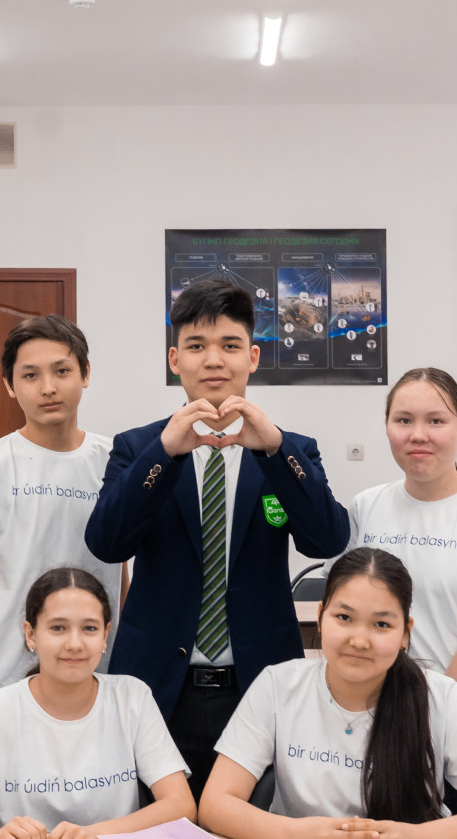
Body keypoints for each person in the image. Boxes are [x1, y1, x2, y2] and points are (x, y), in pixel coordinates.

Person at [86, 279, 349, 798]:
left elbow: (326, 539)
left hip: (260, 686)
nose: (213, 359)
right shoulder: (139, 447)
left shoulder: (290, 449)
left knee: (255, 829)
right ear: (175, 359)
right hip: (157, 687)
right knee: (157, 830)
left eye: (230, 345)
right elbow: (106, 543)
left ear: (252, 357)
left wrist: (274, 450)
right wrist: (165, 453)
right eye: (196, 346)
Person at [198, 548, 457, 839]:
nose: (359, 640)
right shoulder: (277, 686)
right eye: (344, 617)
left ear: (405, 633)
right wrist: (293, 835)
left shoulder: (439, 696)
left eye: (381, 624)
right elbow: (215, 804)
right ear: (320, 616)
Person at [0, 568, 195, 839]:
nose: (74, 643)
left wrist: (97, 836)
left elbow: (181, 805)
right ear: (31, 634)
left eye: (89, 628)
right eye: (58, 628)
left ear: (106, 635)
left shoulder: (132, 698)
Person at [0, 315, 123, 721]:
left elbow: (119, 573)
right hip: (6, 686)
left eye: (62, 371)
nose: (48, 387)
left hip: (98, 679)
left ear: (86, 374)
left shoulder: (115, 461)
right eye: (30, 375)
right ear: (9, 384)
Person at [344, 367, 457, 759]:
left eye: (436, 421)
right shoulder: (366, 507)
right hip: (375, 728)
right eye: (403, 420)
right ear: (387, 426)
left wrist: (422, 731)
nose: (418, 435)